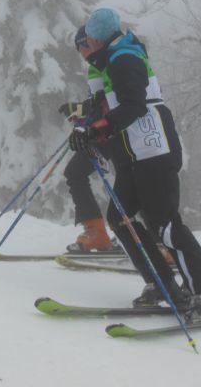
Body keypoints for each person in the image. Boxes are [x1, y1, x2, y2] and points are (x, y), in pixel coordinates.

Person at [68, 7, 201, 317]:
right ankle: (162, 282)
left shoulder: (124, 58)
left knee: (165, 225)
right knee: (121, 218)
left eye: (89, 38)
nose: (87, 44)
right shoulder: (111, 60)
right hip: (133, 155)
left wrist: (96, 129)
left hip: (154, 151)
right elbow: (109, 107)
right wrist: (87, 128)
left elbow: (134, 106)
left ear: (99, 38)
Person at [59, 26, 118, 252]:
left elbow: (114, 102)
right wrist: (80, 110)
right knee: (75, 172)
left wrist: (91, 123)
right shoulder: (96, 66)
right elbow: (98, 102)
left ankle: (159, 240)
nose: (81, 54)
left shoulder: (110, 62)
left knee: (132, 185)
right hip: (102, 133)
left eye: (80, 48)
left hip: (117, 132)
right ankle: (97, 233)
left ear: (88, 44)